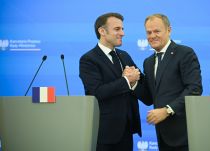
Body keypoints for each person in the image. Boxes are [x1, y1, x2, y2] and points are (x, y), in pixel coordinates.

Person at [79, 13, 151, 151]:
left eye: (123, 29)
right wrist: (126, 81)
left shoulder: (125, 56)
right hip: (104, 134)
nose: (122, 33)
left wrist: (134, 83)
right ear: (102, 31)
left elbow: (145, 91)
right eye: (117, 29)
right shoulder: (88, 59)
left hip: (127, 132)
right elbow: (97, 92)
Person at [143, 14, 203, 151]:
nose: (152, 36)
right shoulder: (148, 62)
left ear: (169, 30)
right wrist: (132, 82)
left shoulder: (185, 53)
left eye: (157, 31)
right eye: (149, 32)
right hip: (162, 135)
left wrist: (167, 110)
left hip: (184, 135)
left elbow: (194, 89)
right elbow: (148, 97)